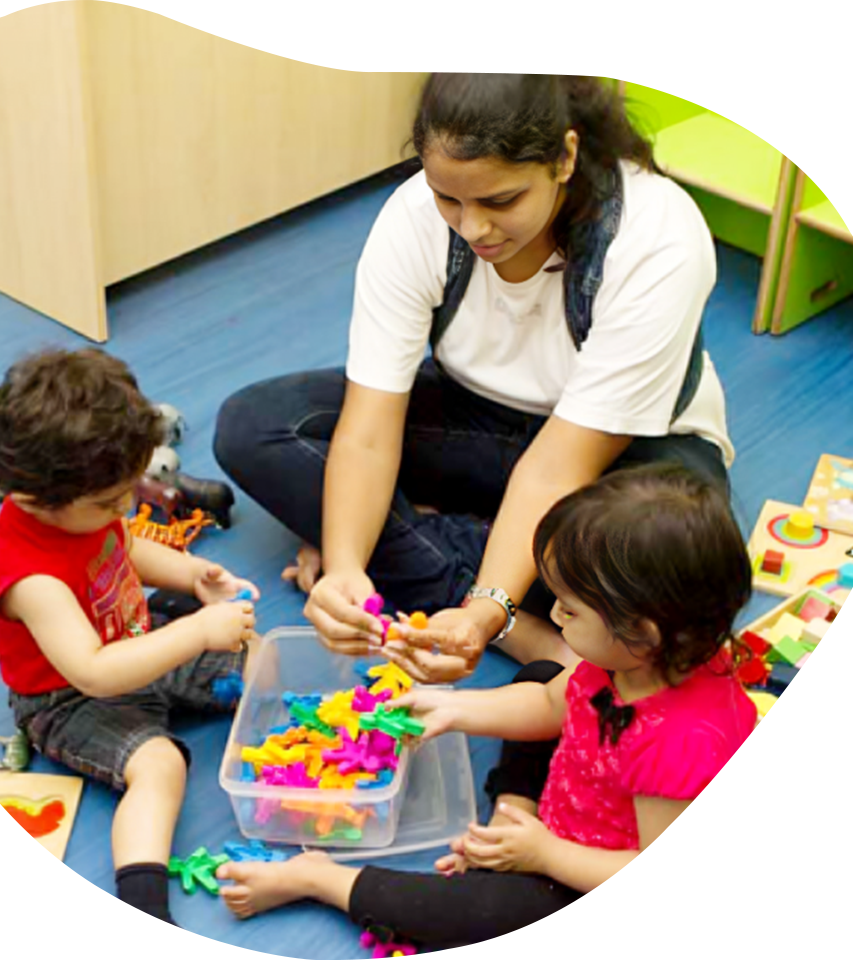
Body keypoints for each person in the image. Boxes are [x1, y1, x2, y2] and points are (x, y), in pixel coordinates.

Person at [214, 27, 733, 683]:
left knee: (673, 570)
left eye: (502, 200)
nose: (473, 227)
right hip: (476, 418)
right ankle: (527, 604)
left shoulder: (658, 236)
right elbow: (370, 429)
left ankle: (451, 558)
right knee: (253, 425)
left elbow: (559, 465)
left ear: (565, 158)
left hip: (623, 449)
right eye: (448, 198)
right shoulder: (412, 218)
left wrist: (487, 609)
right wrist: (347, 567)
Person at [215, 465, 761, 952]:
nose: (557, 621)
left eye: (569, 611)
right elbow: (553, 702)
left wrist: (544, 856)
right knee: (545, 674)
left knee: (477, 911)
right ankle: (513, 811)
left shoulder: (680, 744)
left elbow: (666, 880)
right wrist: (457, 711)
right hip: (575, 815)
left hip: (622, 894)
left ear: (642, 634)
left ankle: (321, 878)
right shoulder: (634, 659)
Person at [0, 348, 258, 960]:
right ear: (31, 499)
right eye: (111, 500)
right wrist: (195, 632)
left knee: (256, 652)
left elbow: (125, 547)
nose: (128, 507)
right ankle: (140, 918)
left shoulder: (87, 505)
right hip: (71, 697)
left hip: (134, 638)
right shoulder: (33, 578)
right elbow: (96, 674)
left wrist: (193, 575)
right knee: (161, 765)